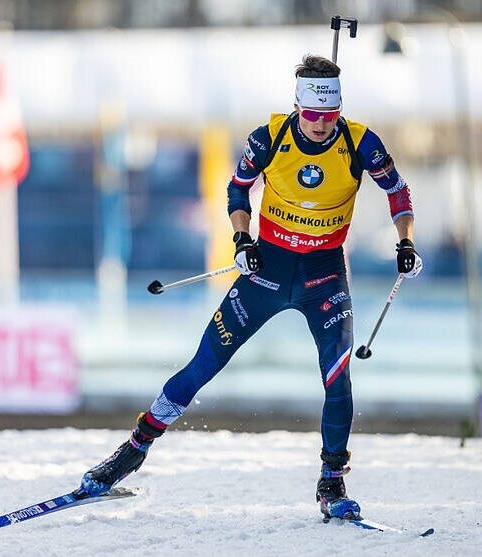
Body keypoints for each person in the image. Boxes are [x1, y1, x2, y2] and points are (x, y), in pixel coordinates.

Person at [76, 55, 422, 520]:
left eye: (330, 115)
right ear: (297, 107)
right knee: (203, 365)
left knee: (338, 377)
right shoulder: (269, 138)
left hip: (324, 276)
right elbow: (237, 190)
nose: (321, 124)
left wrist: (405, 242)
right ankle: (134, 448)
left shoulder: (361, 143)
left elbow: (398, 192)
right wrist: (242, 239)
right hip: (268, 270)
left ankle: (332, 481)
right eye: (312, 114)